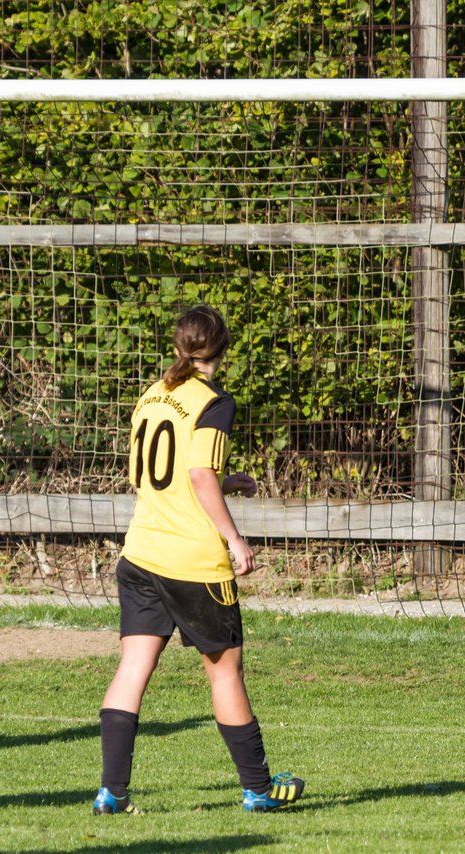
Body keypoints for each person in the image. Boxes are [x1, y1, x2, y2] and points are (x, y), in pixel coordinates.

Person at [93, 305, 303, 815]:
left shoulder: (153, 395)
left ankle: (112, 792)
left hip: (141, 552)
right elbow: (197, 476)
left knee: (133, 667)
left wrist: (223, 483)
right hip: (191, 563)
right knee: (225, 672)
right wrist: (234, 538)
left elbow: (149, 478)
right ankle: (257, 788)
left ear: (179, 345)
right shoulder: (213, 401)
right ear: (222, 350)